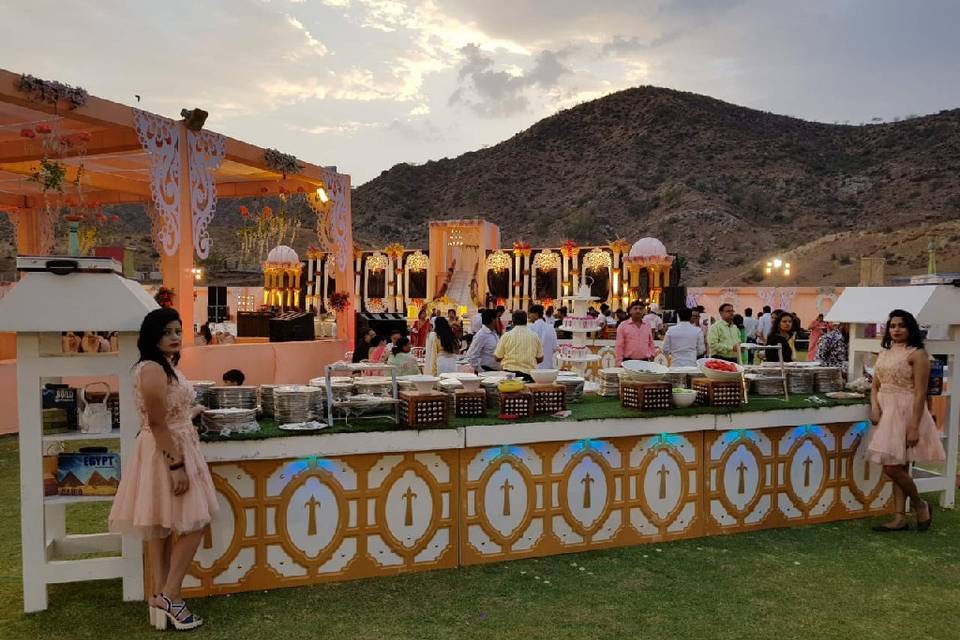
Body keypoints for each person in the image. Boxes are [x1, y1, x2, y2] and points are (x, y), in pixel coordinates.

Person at [109, 308, 216, 631]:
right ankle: (171, 595)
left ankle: (159, 593)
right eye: (167, 331)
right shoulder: (152, 369)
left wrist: (192, 410)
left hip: (174, 441)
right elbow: (157, 422)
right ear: (153, 335)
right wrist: (176, 465)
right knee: (195, 522)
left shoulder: (164, 366)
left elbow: (169, 410)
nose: (174, 337)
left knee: (162, 524)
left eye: (177, 330)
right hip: (166, 451)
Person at [866, 310, 944, 532]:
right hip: (886, 412)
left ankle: (920, 504)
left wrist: (913, 426)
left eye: (901, 325)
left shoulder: (918, 354)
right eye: (892, 326)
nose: (896, 330)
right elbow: (875, 384)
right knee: (896, 465)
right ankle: (899, 518)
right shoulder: (884, 352)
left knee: (893, 468)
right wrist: (874, 407)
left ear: (910, 328)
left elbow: (920, 393)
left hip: (907, 412)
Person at [494, 310, 543, 381]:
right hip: (528, 375)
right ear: (526, 321)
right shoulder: (534, 336)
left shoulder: (506, 336)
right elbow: (540, 358)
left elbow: (497, 357)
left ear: (513, 322)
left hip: (509, 375)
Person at [615, 301, 656, 365]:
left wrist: (652, 354)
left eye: (640, 309)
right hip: (628, 361)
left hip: (645, 361)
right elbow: (619, 345)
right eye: (635, 308)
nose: (638, 311)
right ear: (630, 311)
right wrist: (619, 362)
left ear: (643, 311)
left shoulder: (647, 325)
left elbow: (651, 342)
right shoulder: (623, 325)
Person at [529, 304, 558, 369]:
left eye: (530, 314)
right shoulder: (551, 328)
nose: (529, 316)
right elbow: (555, 347)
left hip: (533, 367)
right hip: (548, 366)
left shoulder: (530, 327)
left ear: (536, 315)